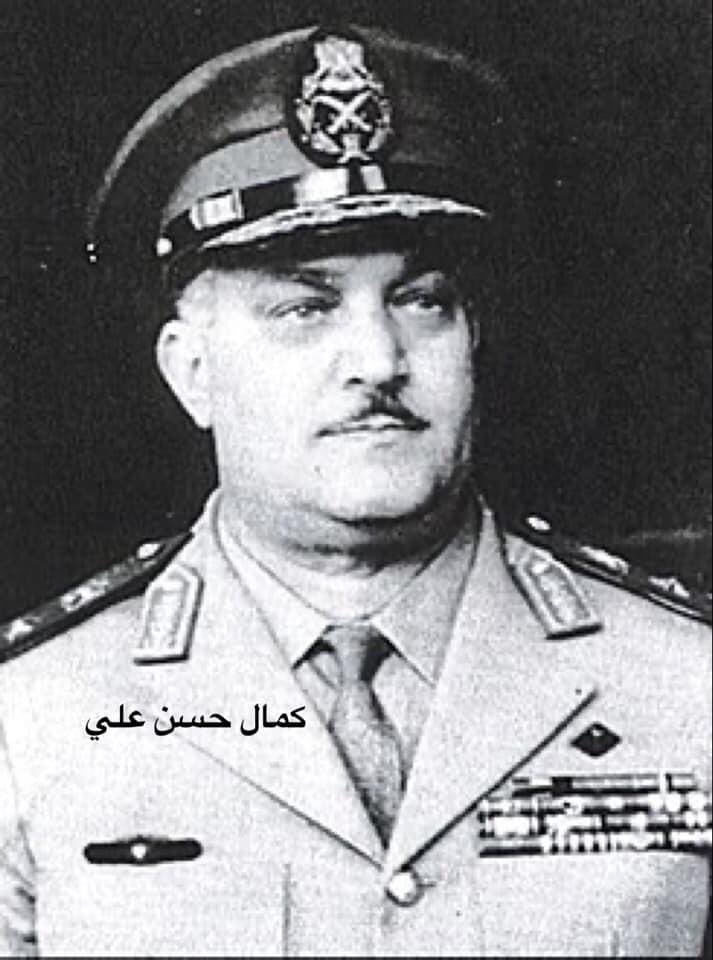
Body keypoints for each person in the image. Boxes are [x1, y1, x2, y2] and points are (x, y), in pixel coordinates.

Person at [0, 23, 710, 958]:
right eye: (304, 307)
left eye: (422, 301)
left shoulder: (682, 681)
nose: (378, 359)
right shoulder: (35, 717)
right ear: (192, 372)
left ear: (473, 339)